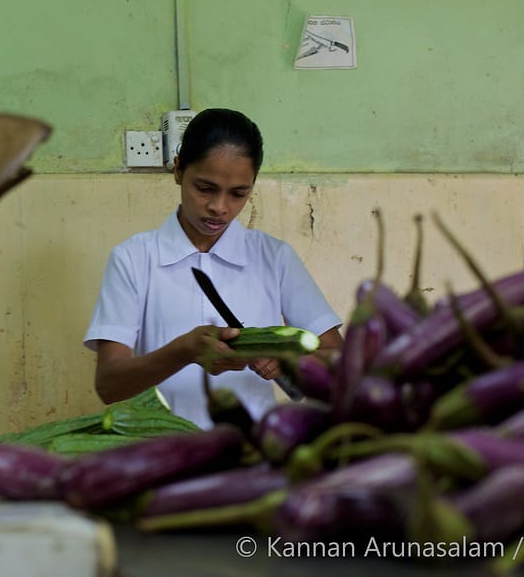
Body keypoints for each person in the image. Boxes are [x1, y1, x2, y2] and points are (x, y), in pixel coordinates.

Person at [83, 108, 344, 428]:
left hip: (254, 457)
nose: (220, 207)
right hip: (166, 458)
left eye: (238, 193)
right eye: (205, 188)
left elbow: (339, 362)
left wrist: (290, 362)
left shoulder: (273, 258)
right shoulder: (133, 259)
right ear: (178, 170)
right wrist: (184, 351)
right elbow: (109, 384)